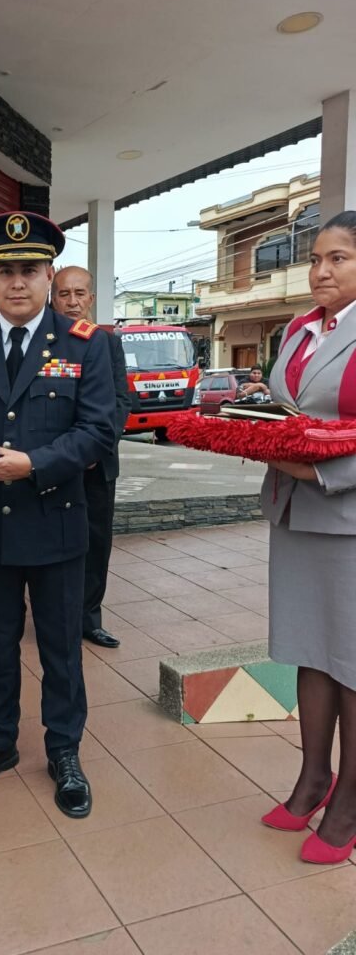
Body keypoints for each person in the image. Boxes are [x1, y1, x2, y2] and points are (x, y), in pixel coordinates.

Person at [0, 212, 116, 818]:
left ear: (48, 276)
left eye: (30, 270)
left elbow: (99, 431)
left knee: (62, 647)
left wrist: (35, 463)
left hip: (57, 520)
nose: (18, 282)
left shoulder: (85, 344)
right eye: (5, 271)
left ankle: (64, 750)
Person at [260, 210, 356, 865]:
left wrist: (321, 469)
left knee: (351, 662)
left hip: (348, 518)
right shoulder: (299, 330)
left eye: (338, 258)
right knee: (310, 651)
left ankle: (349, 800)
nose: (320, 271)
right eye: (315, 258)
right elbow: (285, 410)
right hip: (294, 512)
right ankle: (313, 779)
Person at [52, 265, 131, 648]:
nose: (72, 301)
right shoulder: (43, 342)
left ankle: (88, 619)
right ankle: (54, 616)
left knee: (96, 544)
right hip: (53, 463)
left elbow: (120, 401)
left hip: (97, 466)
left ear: (91, 299)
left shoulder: (107, 343)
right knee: (53, 544)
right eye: (64, 293)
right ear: (53, 298)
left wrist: (94, 446)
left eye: (79, 293)